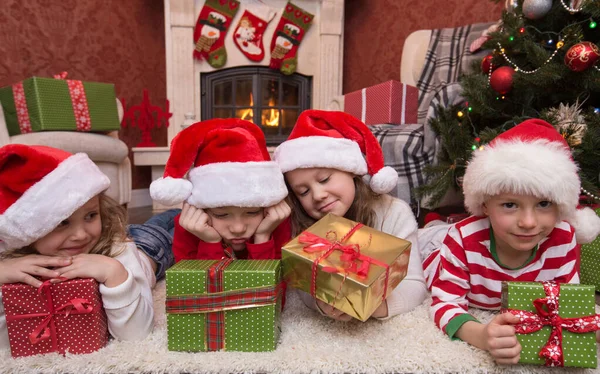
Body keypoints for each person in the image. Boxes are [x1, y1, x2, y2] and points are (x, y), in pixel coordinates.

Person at [421, 119, 600, 365]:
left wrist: (586, 323)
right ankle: (433, 226)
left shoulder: (564, 238)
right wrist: (481, 335)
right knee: (423, 247)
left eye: (544, 204)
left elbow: (566, 302)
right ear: (485, 204)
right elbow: (444, 304)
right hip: (436, 248)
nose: (528, 222)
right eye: (510, 204)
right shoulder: (462, 239)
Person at [0, 144, 160, 350]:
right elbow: (8, 342)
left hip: (149, 249)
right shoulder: (12, 259)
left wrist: (115, 273)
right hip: (122, 235)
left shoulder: (119, 252)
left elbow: (138, 335)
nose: (81, 235)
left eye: (91, 215)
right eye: (62, 223)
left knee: (165, 224)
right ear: (28, 232)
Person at [273, 109, 428, 321]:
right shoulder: (303, 223)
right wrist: (321, 301)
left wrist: (374, 305)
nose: (318, 195)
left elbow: (415, 285)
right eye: (304, 192)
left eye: (325, 179)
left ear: (351, 171)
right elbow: (301, 284)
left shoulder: (394, 213)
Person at [150, 118, 291, 262]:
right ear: (202, 208)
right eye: (221, 215)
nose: (238, 228)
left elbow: (276, 283)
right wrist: (210, 242)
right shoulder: (188, 226)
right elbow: (196, 284)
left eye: (252, 212)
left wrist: (263, 237)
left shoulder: (275, 219)